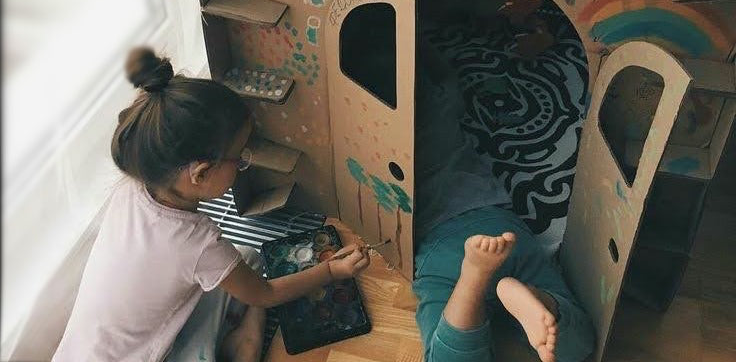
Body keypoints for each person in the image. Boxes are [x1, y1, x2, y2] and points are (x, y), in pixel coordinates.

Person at [53, 47, 369, 362]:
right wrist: (331, 270)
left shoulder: (135, 186)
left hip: (78, 351)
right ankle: (245, 344)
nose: (244, 164)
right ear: (201, 173)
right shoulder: (196, 243)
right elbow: (266, 294)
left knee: (246, 259)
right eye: (239, 157)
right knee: (244, 278)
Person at [412, 30, 595, 362]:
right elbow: (447, 78)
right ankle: (539, 299)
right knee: (575, 347)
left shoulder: (374, 147)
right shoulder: (441, 108)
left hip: (439, 240)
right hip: (498, 225)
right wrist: (423, 43)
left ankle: (472, 281)